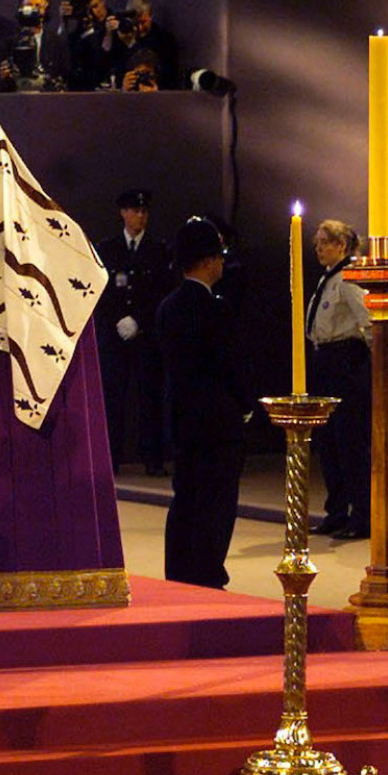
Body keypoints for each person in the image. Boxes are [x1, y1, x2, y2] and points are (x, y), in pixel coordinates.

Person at [157, 216, 251, 589]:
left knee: (187, 498)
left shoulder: (168, 306)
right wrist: (245, 404)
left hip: (183, 417)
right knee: (217, 502)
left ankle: (179, 570)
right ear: (210, 261)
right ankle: (208, 569)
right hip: (218, 421)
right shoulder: (215, 309)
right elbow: (230, 364)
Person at [94, 189, 171, 476]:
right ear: (123, 213)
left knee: (149, 396)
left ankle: (153, 458)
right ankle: (110, 457)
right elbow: (101, 290)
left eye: (144, 212)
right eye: (135, 211)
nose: (140, 216)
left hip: (145, 335)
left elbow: (161, 291)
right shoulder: (108, 248)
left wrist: (139, 320)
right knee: (113, 397)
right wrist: (118, 319)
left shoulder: (158, 250)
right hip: (115, 336)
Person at [307, 218, 372, 539]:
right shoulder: (327, 279)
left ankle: (361, 515)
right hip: (325, 361)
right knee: (328, 442)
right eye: (317, 242)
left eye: (324, 242)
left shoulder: (348, 279)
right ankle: (336, 510)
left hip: (344, 361)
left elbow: (369, 321)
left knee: (350, 443)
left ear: (341, 246)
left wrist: (369, 362)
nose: (318, 248)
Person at [0, 0, 70, 91]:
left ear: (45, 10)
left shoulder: (57, 41)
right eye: (29, 5)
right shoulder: (9, 43)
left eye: (38, 6)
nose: (33, 10)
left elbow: (64, 72)